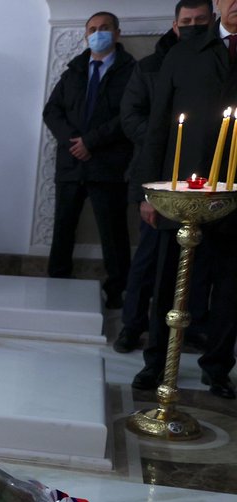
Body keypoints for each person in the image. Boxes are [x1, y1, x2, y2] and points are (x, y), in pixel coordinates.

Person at [132, 0, 237, 399]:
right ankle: (155, 362)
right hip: (181, 190)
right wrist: (149, 191)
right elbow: (158, 122)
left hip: (234, 192)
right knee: (169, 281)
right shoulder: (186, 51)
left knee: (229, 286)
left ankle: (218, 368)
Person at [115, 1, 215, 354]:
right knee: (148, 260)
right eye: (186, 21)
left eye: (200, 21)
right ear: (174, 25)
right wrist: (173, 141)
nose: (192, 26)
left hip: (200, 180)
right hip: (154, 173)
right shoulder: (150, 67)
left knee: (197, 260)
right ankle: (132, 325)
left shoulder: (217, 64)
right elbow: (131, 116)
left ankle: (193, 326)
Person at [43, 12, 137, 309]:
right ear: (86, 36)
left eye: (104, 29)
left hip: (107, 165)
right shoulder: (75, 70)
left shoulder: (131, 72)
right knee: (63, 227)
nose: (98, 34)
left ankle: (117, 291)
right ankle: (56, 282)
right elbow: (52, 111)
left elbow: (128, 116)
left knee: (112, 231)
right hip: (71, 163)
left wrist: (91, 142)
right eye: (93, 29)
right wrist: (74, 141)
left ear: (117, 34)